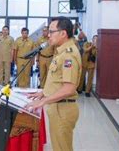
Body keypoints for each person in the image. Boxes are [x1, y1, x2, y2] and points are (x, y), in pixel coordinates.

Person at [25, 17, 81, 151]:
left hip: (63, 109)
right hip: (58, 106)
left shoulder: (68, 55)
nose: (48, 35)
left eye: (51, 31)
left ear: (63, 33)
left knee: (62, 148)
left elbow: (69, 88)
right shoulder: (61, 51)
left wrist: (43, 101)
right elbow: (58, 80)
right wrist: (44, 92)